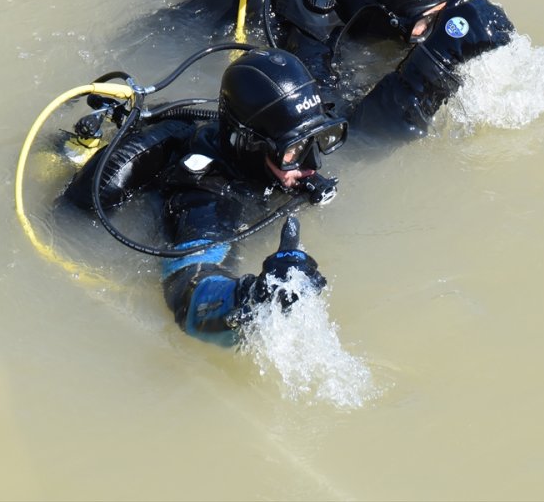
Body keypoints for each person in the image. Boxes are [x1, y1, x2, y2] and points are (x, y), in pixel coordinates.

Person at [64, 48, 347, 344]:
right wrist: (250, 299)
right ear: (253, 146)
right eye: (294, 150)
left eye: (320, 138)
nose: (312, 163)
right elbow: (188, 292)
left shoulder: (272, 158)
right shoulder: (207, 192)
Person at [177, 0, 517, 142]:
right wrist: (435, 62)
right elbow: (351, 139)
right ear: (382, 14)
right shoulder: (316, 33)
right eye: (426, 20)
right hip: (196, 25)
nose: (437, 27)